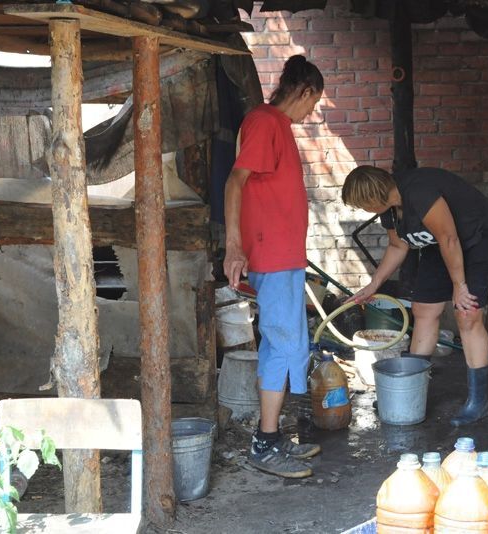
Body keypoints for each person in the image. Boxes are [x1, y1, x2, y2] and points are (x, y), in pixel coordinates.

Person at [341, 166, 488, 426]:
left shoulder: (418, 192)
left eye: (362, 204)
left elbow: (449, 238)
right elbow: (398, 245)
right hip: (439, 244)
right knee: (423, 310)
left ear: (374, 196)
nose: (362, 209)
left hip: (477, 238)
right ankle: (410, 389)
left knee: (467, 313)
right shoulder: (390, 210)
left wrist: (459, 285)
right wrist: (374, 284)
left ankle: (478, 401)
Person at [223, 55, 323, 478]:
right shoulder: (265, 122)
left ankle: (274, 437)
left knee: (287, 346)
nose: (311, 112)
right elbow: (235, 181)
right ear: (303, 91)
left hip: (284, 255)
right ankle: (264, 444)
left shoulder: (275, 126)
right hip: (272, 256)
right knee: (283, 346)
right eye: (312, 103)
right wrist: (233, 246)